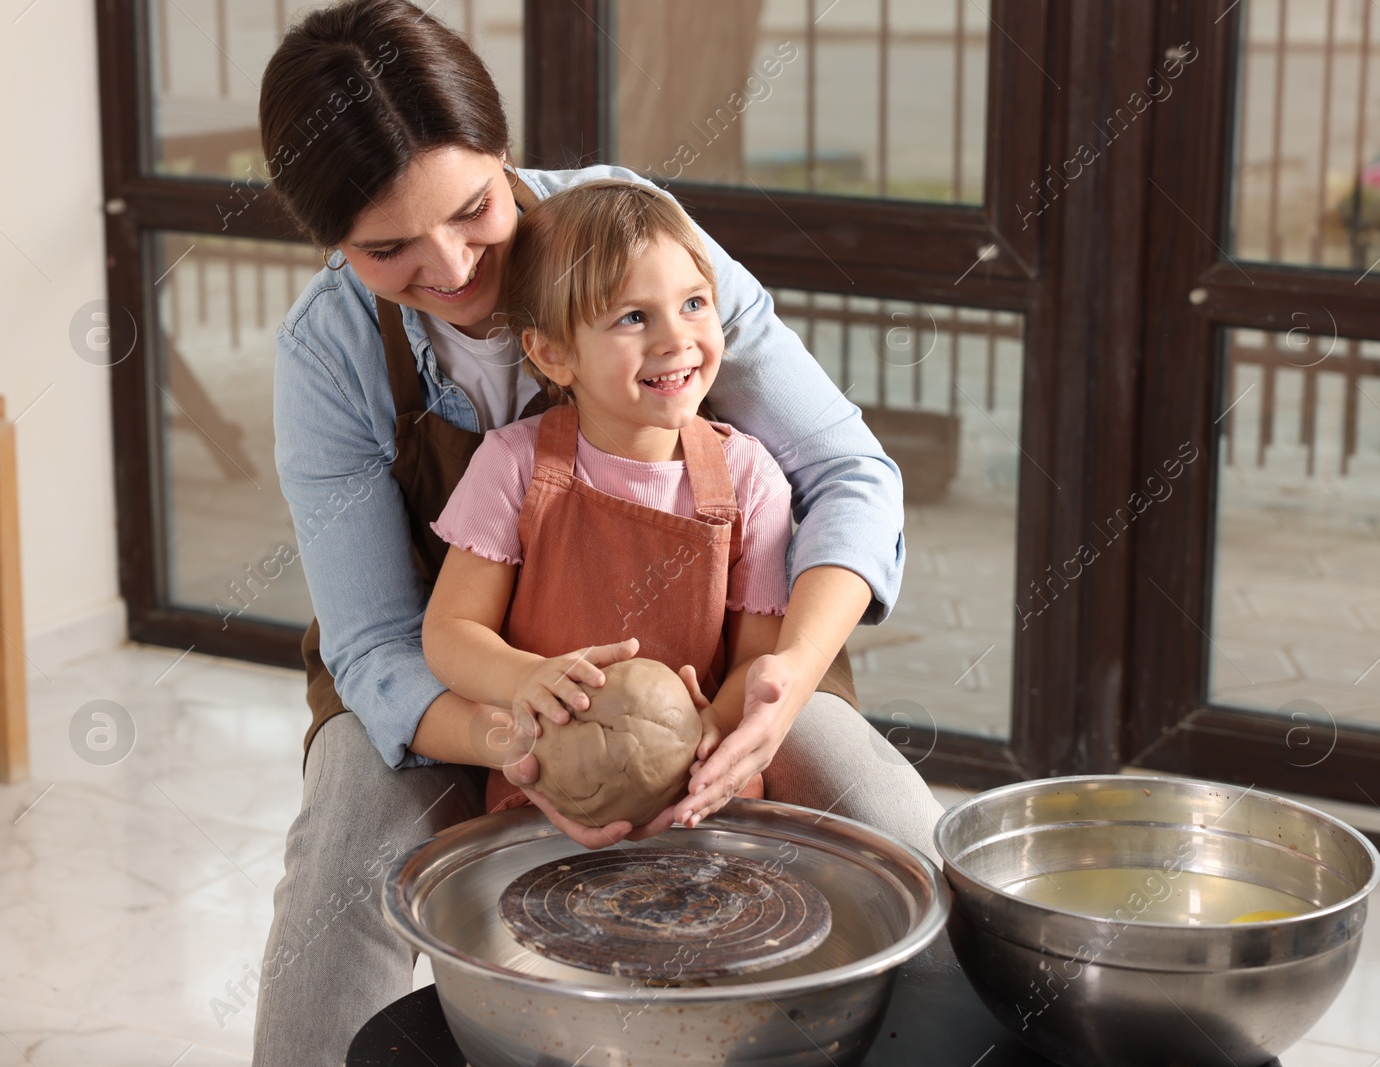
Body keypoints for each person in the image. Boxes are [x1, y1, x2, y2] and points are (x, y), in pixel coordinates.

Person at [253, 2, 943, 1063]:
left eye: (474, 209)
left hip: (723, 665)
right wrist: (518, 744)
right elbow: (378, 644)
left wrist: (783, 681)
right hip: (464, 678)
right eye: (387, 248)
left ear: (503, 151)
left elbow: (847, 472)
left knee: (898, 835)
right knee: (344, 848)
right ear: (333, 244)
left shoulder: (634, 240)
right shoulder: (328, 352)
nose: (449, 269)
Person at [421, 179, 789, 825]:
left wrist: (715, 726)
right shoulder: (514, 465)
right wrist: (523, 681)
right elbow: (449, 633)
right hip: (539, 796)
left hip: (699, 799)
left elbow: (758, 655)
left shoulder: (749, 478)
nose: (676, 338)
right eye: (633, 317)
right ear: (553, 353)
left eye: (695, 303)